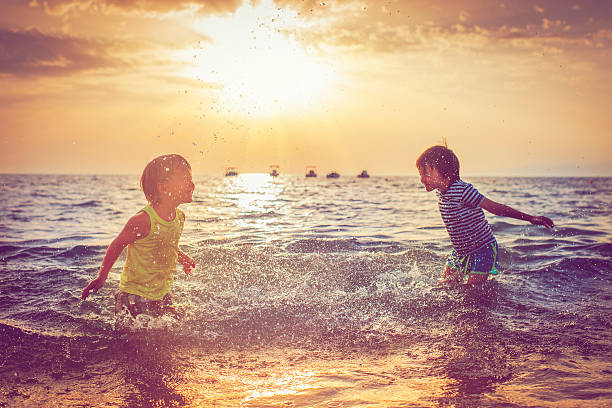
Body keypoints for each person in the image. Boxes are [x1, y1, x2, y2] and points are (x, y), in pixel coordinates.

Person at [416, 145, 554, 285]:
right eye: (420, 173)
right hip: (460, 252)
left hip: (483, 250)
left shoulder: (464, 190)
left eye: (426, 174)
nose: (421, 179)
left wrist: (530, 218)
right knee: (443, 286)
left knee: (472, 293)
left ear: (447, 175)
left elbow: (496, 208)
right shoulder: (441, 192)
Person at [81, 154, 196, 317]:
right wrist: (102, 276)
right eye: (185, 179)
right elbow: (117, 244)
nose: (192, 184)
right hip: (134, 295)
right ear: (163, 188)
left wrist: (181, 257)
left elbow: (165, 245)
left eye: (191, 178)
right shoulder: (143, 220)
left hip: (161, 291)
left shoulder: (179, 217)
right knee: (135, 339)